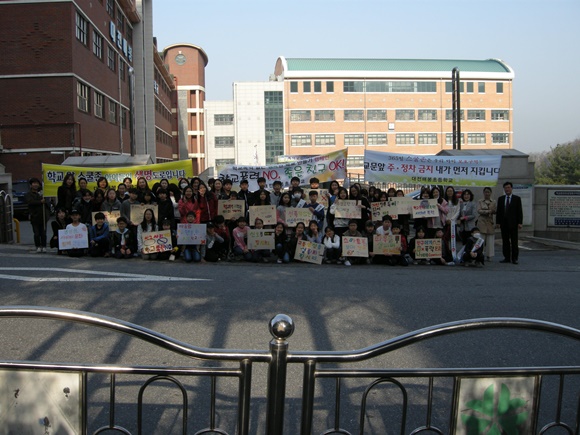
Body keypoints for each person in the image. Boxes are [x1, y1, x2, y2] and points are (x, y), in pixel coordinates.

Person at [496, 181, 523, 264]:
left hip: (513, 223)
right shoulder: (501, 199)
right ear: (504, 189)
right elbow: (499, 211)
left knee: (514, 241)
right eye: (505, 188)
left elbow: (519, 211)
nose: (507, 189)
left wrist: (520, 222)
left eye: (508, 187)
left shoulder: (516, 199)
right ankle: (506, 257)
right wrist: (498, 222)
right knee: (505, 241)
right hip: (504, 223)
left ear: (511, 188)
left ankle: (515, 258)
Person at [25, 177, 50, 253]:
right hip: (34, 216)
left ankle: (44, 246)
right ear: (31, 185)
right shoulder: (28, 194)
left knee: (43, 233)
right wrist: (40, 202)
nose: (35, 185)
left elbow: (47, 202)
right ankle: (38, 246)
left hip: (43, 216)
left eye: (37, 183)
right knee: (36, 233)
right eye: (34, 183)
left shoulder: (42, 193)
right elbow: (30, 202)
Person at [477, 187, 497, 262]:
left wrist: (491, 211)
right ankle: (480, 253)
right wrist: (488, 211)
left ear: (490, 193)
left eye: (488, 192)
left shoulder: (494, 202)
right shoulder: (480, 201)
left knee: (490, 240)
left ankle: (489, 255)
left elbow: (495, 211)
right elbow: (479, 210)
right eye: (485, 192)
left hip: (490, 222)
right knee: (481, 239)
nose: (487, 193)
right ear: (483, 193)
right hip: (482, 221)